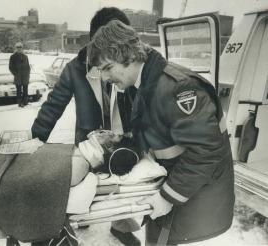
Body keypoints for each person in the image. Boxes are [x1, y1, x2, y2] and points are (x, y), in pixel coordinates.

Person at [87, 20, 235, 245]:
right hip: (175, 187)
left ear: (129, 55)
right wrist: (123, 142)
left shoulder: (179, 88)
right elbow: (160, 133)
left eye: (107, 68)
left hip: (194, 199)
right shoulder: (141, 84)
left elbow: (206, 152)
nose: (105, 78)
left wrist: (167, 196)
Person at [31, 7, 141, 246]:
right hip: (88, 141)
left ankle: (121, 226)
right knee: (77, 192)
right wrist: (34, 141)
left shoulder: (131, 63)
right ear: (95, 40)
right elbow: (53, 106)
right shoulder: (75, 68)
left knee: (123, 186)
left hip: (122, 138)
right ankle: (67, 227)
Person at [9, 42, 30, 107]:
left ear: (22, 48)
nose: (19, 49)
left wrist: (28, 73)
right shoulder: (13, 56)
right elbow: (11, 67)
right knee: (19, 90)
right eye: (18, 47)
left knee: (25, 89)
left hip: (25, 76)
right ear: (16, 48)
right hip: (18, 77)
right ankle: (20, 103)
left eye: (20, 47)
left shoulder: (25, 56)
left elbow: (28, 66)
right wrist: (15, 73)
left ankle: (26, 102)